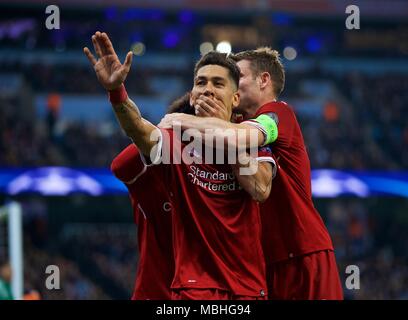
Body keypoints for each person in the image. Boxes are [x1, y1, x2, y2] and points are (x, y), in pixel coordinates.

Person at [84, 32, 276, 300]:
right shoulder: (178, 143)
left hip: (248, 289)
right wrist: (116, 91)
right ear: (192, 94)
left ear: (235, 98)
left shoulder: (250, 138)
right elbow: (137, 129)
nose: (207, 89)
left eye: (218, 83)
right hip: (195, 290)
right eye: (201, 83)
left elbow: (260, 188)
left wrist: (223, 134)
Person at [160, 47, 343, 300]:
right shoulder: (234, 127)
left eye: (240, 78)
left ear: (264, 80)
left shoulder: (278, 114)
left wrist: (179, 120)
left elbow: (242, 138)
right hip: (265, 264)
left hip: (303, 254)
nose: (234, 86)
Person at [110, 93, 193, 300]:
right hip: (155, 293)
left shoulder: (212, 173)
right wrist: (167, 128)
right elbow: (120, 166)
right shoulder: (150, 177)